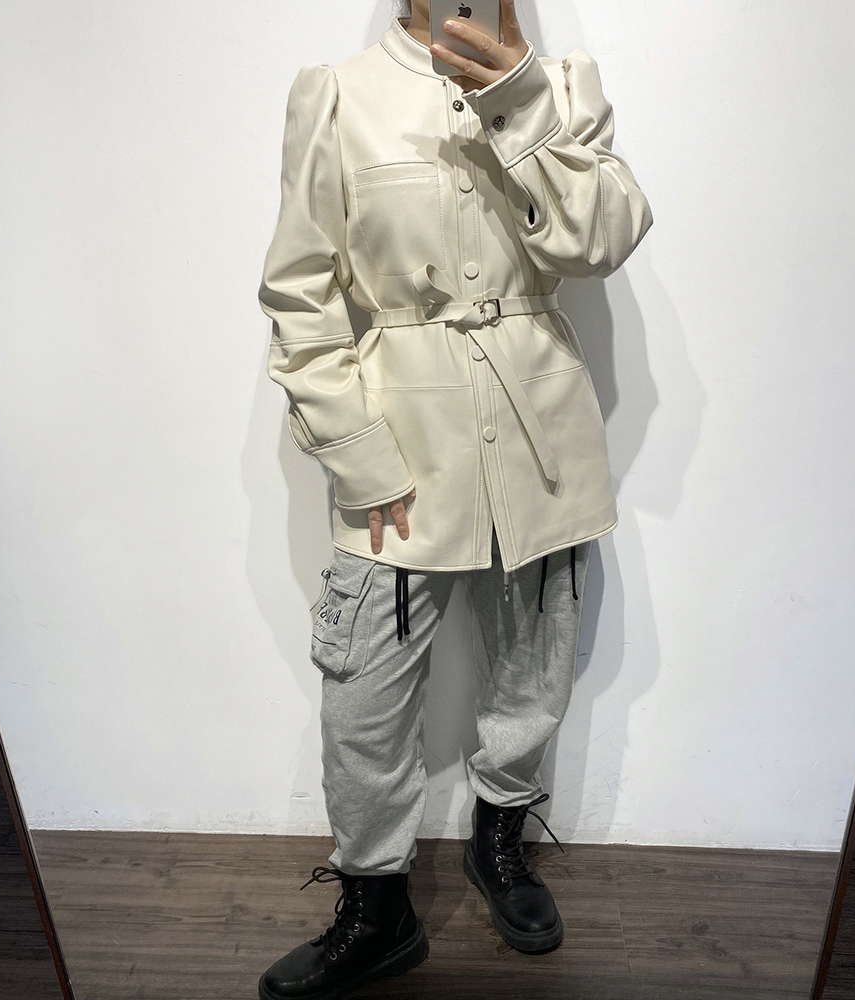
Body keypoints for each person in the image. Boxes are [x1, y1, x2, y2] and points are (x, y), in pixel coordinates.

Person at [257, 1, 653, 996]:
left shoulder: (562, 87)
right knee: (363, 690)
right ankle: (376, 907)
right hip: (402, 442)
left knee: (534, 670)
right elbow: (301, 293)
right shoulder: (337, 95)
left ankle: (498, 840)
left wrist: (520, 99)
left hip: (541, 432)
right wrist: (357, 453)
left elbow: (603, 240)